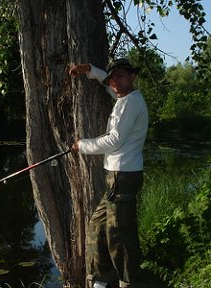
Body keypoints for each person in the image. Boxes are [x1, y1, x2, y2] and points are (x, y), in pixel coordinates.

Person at [69, 59, 149, 288]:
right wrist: (91, 71)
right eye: (113, 77)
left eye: (121, 76)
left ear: (132, 77)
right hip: (117, 178)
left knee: (119, 233)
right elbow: (110, 85)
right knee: (96, 226)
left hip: (123, 176)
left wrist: (82, 145)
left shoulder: (131, 102)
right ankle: (101, 280)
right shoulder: (125, 99)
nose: (115, 81)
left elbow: (114, 141)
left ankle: (128, 281)